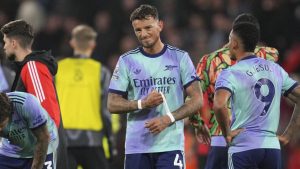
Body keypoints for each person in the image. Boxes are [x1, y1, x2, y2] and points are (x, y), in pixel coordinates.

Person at [107, 4, 203, 169]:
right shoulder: (126, 61)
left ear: (160, 25)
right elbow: (112, 103)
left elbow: (197, 99)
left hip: (170, 145)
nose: (143, 34)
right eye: (138, 30)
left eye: (148, 27)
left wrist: (168, 119)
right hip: (136, 147)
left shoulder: (180, 58)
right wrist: (142, 103)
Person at [190, 13, 279, 169]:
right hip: (258, 141)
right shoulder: (266, 55)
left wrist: (197, 124)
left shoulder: (209, 61)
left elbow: (192, 97)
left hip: (220, 139)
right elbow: (275, 52)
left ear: (233, 33)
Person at [213, 20, 300, 169]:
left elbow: (219, 104)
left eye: (229, 41)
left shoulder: (231, 73)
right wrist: (288, 133)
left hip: (244, 147)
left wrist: (227, 133)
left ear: (234, 43)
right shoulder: (275, 69)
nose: (227, 46)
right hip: (271, 148)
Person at [0, 19, 68, 169]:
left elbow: (48, 115)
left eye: (5, 42)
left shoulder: (33, 67)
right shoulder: (27, 68)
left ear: (13, 43)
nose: (4, 47)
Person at [55, 25, 112, 169]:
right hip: (92, 140)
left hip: (63, 140)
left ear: (72, 43)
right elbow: (106, 111)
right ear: (93, 44)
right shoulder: (102, 72)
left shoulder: (57, 69)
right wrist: (111, 143)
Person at [0, 91, 58, 169]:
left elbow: (43, 138)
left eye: (1, 125)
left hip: (44, 144)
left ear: (9, 115)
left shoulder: (27, 104)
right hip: (12, 149)